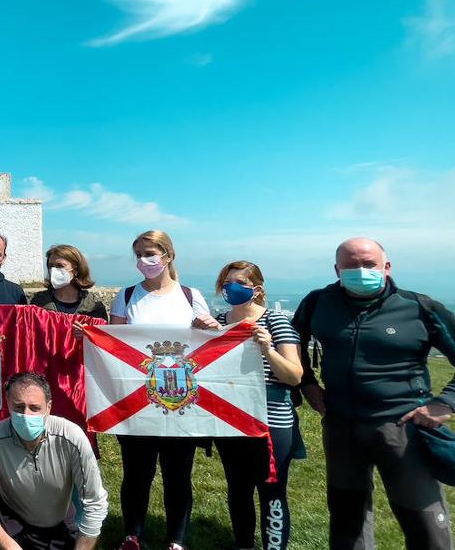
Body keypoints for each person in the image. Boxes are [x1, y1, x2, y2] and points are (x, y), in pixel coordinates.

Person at [293, 237, 455, 550]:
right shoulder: (317, 303)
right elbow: (292, 345)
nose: (360, 271)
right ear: (337, 269)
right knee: (347, 521)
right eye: (350, 265)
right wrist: (306, 383)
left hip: (403, 428)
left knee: (424, 523)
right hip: (340, 427)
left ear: (386, 267)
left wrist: (446, 403)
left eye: (368, 264)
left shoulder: (419, 307)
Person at [109, 229, 213, 550]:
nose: (144, 260)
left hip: (181, 399)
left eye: (150, 253)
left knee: (178, 474)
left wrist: (210, 329)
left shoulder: (191, 296)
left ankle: (176, 539)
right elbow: (114, 346)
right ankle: (133, 534)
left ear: (168, 256)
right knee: (137, 473)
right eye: (139, 254)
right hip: (138, 401)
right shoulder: (125, 297)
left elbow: (208, 345)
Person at [205, 261, 304, 550]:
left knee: (272, 490)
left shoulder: (276, 322)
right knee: (238, 489)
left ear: (256, 289)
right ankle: (244, 544)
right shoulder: (220, 322)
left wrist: (267, 349)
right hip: (231, 419)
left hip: (271, 420)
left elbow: (294, 375)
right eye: (225, 283)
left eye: (237, 282)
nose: (229, 288)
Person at [0, 372, 108, 550]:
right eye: (19, 407)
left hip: (58, 523)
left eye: (34, 408)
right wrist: (8, 545)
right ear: (8, 404)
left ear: (49, 407)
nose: (26, 414)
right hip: (12, 520)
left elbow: (95, 502)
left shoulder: (71, 437)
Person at [32, 244, 109, 321]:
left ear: (76, 270)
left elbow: (102, 331)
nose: (54, 270)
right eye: (51, 266)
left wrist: (87, 331)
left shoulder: (93, 305)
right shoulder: (38, 303)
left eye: (60, 266)